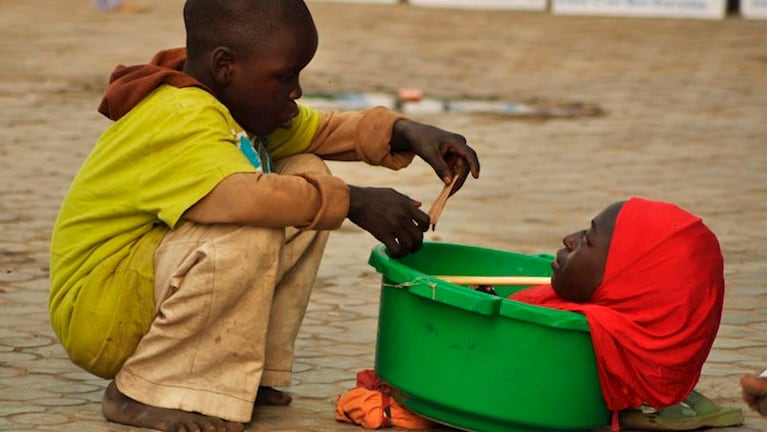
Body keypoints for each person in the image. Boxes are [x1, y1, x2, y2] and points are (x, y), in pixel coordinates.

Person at [48, 1, 480, 431]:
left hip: (138, 287)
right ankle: (142, 390)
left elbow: (321, 130)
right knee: (256, 224)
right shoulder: (177, 116)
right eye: (285, 76)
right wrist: (353, 201)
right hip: (101, 311)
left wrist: (406, 131)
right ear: (225, 66)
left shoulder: (233, 100)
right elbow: (240, 199)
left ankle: (242, 372)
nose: (296, 91)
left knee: (306, 171)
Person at [509, 197, 742, 431]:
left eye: (587, 240)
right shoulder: (616, 326)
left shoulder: (593, 326)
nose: (569, 239)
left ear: (626, 284)